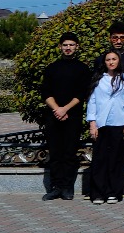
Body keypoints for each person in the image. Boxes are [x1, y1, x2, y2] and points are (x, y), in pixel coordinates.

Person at [40, 32, 92, 201]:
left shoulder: (82, 69)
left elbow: (82, 93)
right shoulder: (51, 68)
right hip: (53, 116)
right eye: (65, 45)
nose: (68, 48)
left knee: (70, 153)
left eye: (71, 45)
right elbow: (46, 92)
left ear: (77, 47)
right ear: (60, 47)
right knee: (55, 153)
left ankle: (68, 187)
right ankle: (55, 187)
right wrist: (57, 109)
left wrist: (65, 109)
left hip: (73, 116)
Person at [86, 50, 124, 204]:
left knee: (116, 158)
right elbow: (92, 101)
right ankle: (98, 193)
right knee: (100, 158)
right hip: (101, 123)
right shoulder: (99, 79)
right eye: (108, 59)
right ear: (104, 62)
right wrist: (92, 123)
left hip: (119, 122)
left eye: (114, 59)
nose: (111, 62)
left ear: (119, 61)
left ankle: (114, 192)